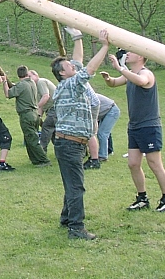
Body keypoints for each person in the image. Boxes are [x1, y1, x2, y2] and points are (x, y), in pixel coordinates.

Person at [50, 27, 109, 240]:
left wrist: (77, 37)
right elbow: (90, 68)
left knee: (71, 182)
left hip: (71, 143)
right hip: (69, 144)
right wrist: (104, 46)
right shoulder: (71, 85)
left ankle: (66, 218)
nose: (74, 66)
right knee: (76, 186)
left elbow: (79, 60)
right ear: (63, 73)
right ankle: (76, 228)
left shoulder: (69, 82)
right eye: (69, 66)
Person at [101, 49, 165, 212]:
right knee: (133, 164)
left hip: (149, 126)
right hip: (134, 126)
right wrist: (108, 78)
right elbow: (113, 83)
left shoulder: (146, 74)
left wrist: (121, 69)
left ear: (140, 56)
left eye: (130, 53)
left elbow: (141, 81)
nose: (127, 55)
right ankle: (142, 199)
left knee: (154, 163)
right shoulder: (130, 74)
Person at [4, 65, 51, 167]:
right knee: (30, 138)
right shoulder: (32, 83)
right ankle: (35, 160)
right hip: (35, 113)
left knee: (32, 139)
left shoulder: (21, 85)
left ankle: (44, 160)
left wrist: (4, 82)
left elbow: (8, 94)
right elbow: (16, 86)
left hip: (26, 115)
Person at [28, 69, 57, 154]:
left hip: (55, 108)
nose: (29, 79)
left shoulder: (41, 82)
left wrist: (35, 108)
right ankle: (61, 150)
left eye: (30, 76)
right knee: (54, 131)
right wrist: (38, 116)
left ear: (36, 76)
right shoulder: (35, 88)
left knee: (47, 127)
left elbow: (45, 96)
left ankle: (41, 151)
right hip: (51, 110)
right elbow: (41, 105)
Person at [95, 93, 121, 162]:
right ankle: (109, 150)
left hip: (112, 110)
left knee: (102, 133)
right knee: (104, 132)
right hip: (105, 111)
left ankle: (103, 156)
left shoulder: (89, 97)